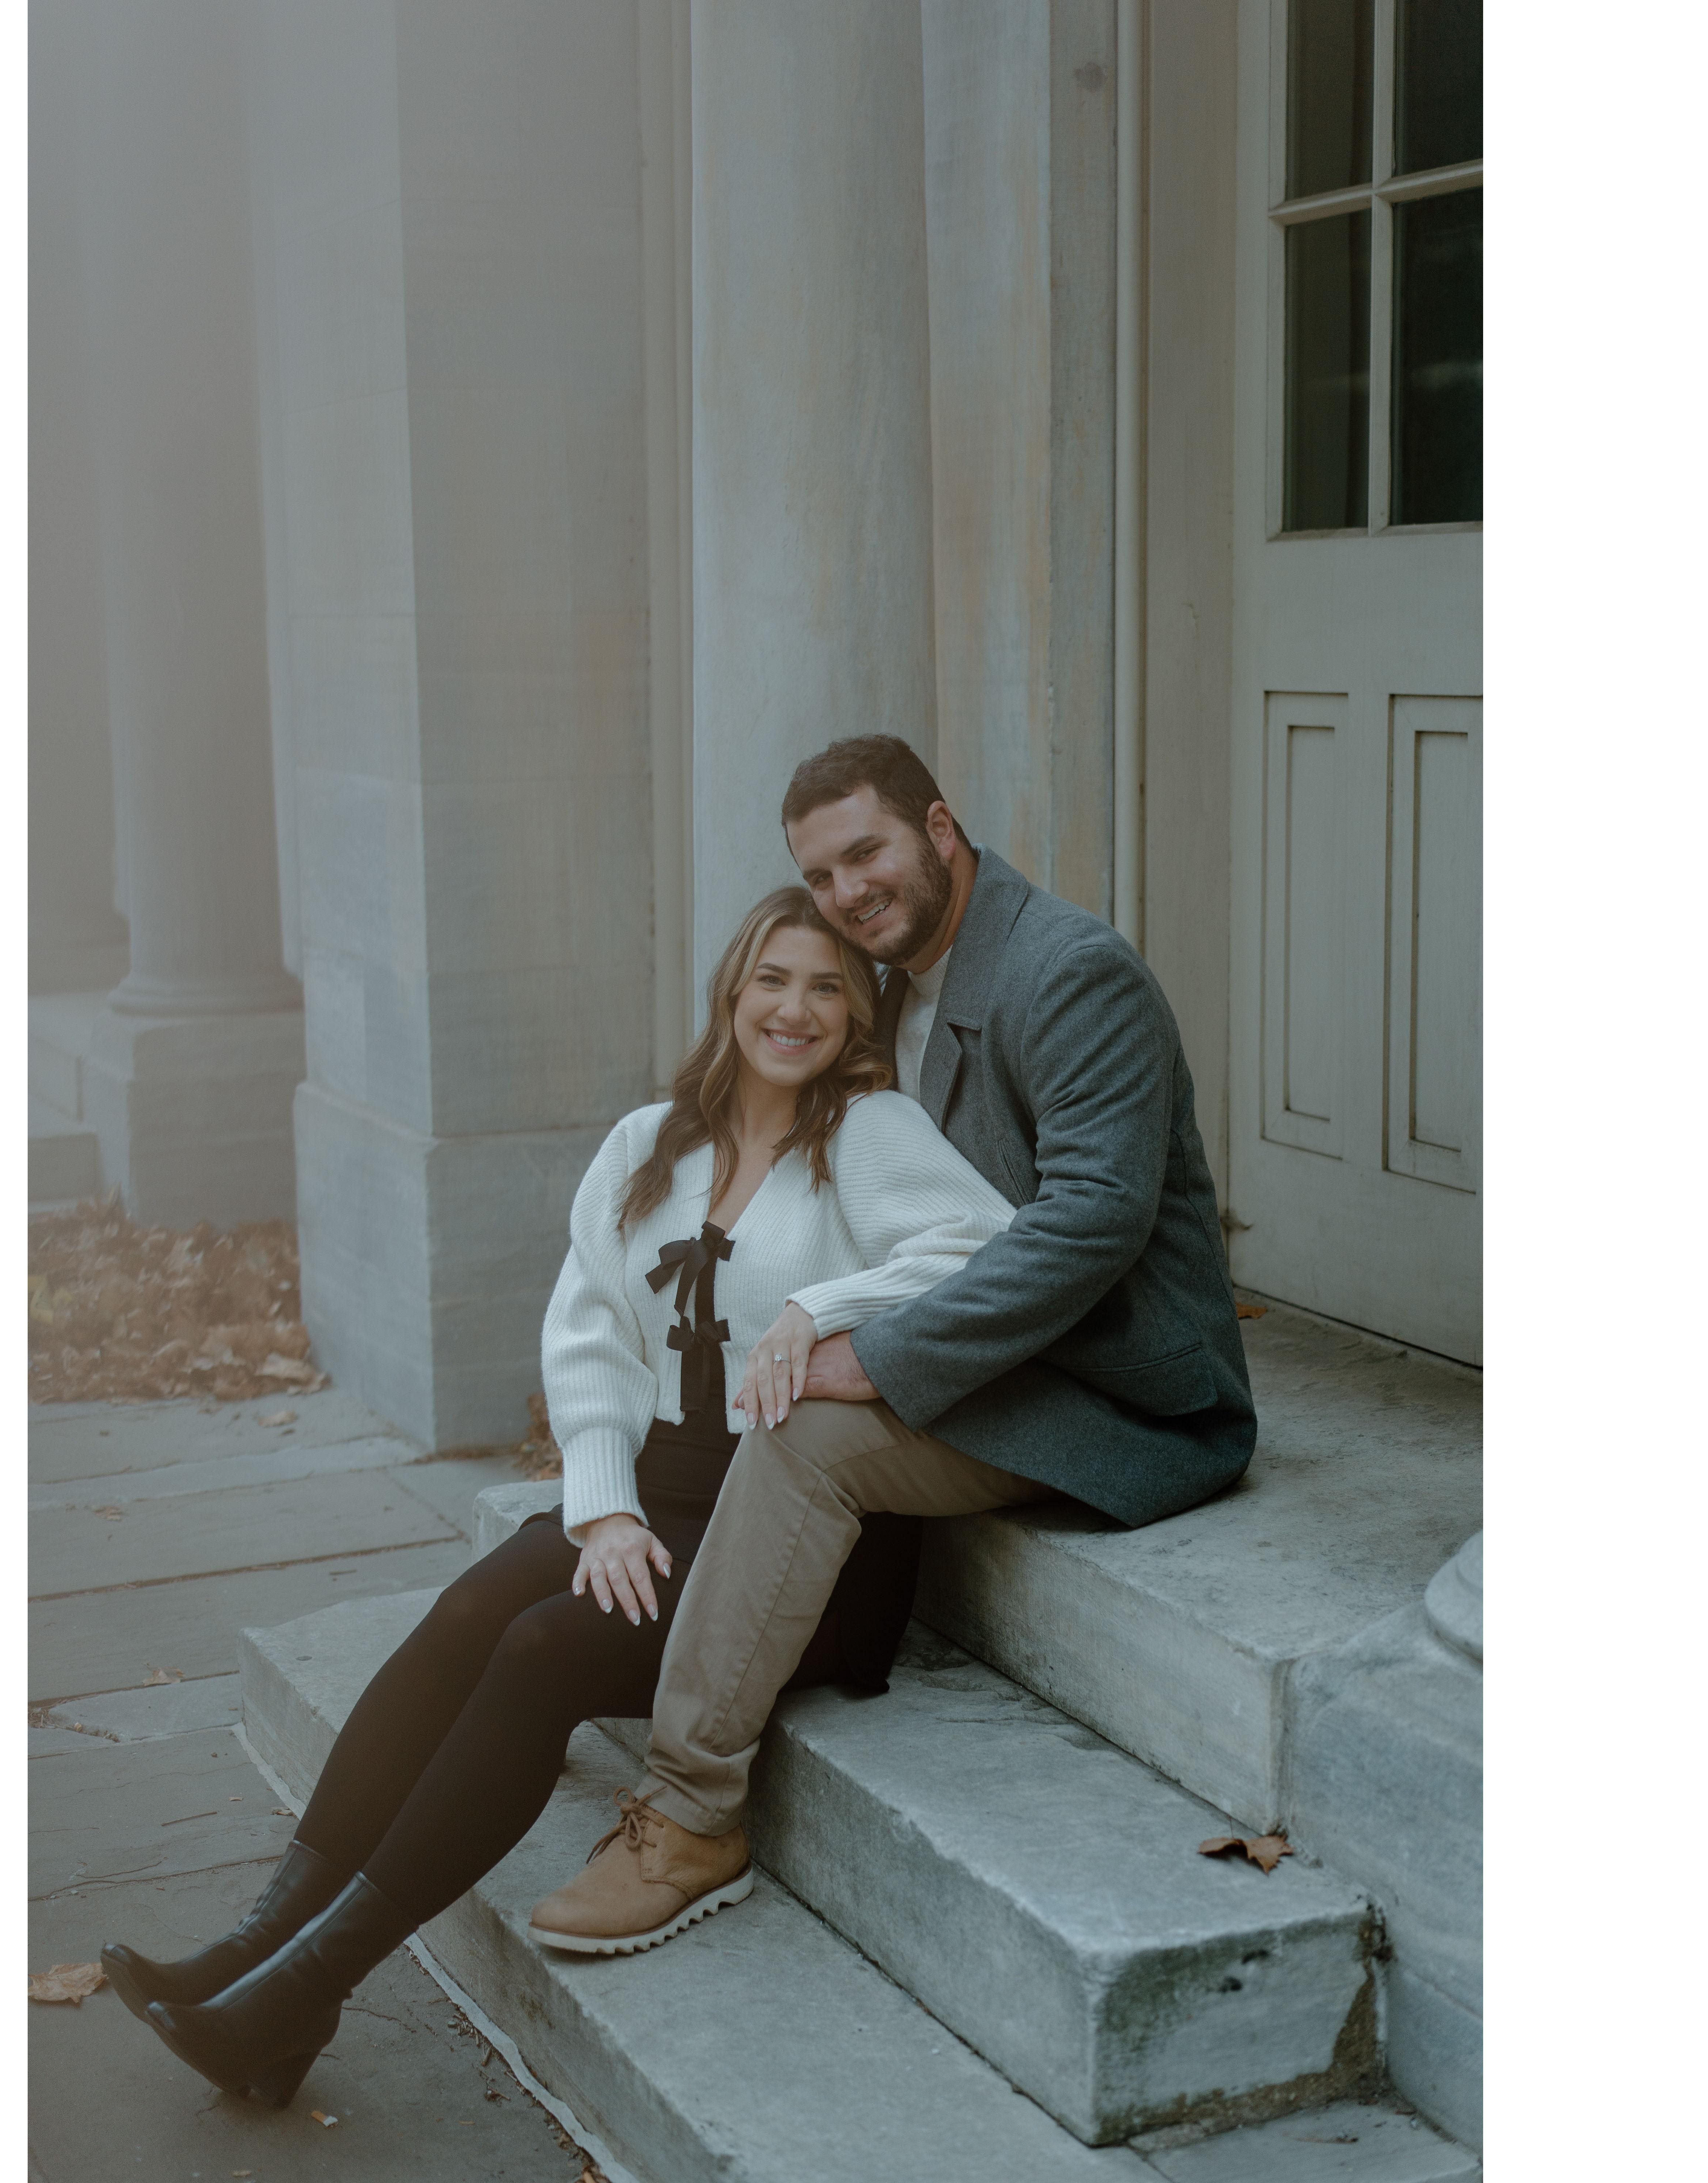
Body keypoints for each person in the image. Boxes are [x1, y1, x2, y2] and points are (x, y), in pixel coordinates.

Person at [101, 886, 1027, 2106]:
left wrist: (821, 1308)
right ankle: (257, 1944)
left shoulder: (870, 1132)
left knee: (541, 1650)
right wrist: (603, 1509)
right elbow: (587, 1335)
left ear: (858, 1015)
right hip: (659, 1497)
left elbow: (988, 1246)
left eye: (826, 988)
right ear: (731, 992)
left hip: (797, 1534)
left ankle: (305, 1991)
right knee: (466, 1615)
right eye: (772, 980)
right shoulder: (648, 1145)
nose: (794, 1010)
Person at [531, 734, 1254, 1944]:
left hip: (1112, 1386)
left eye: (866, 853)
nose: (847, 893)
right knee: (773, 1413)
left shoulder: (1070, 974)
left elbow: (1093, 1223)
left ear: (940, 828)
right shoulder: (891, 981)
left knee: (804, 1431)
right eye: (819, 875)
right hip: (993, 1357)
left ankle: (693, 1810)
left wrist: (869, 1351)